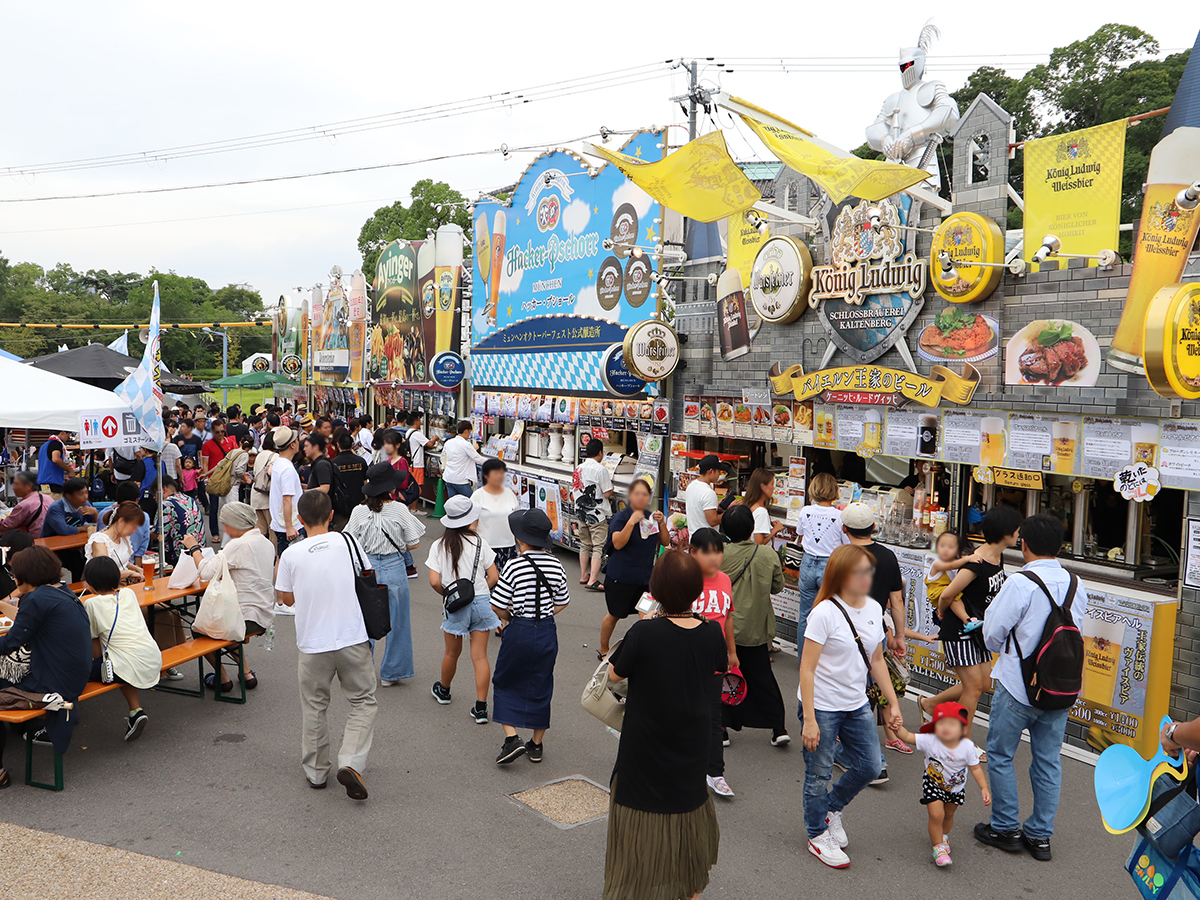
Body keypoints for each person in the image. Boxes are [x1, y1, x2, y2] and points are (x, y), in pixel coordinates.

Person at [604, 549, 724, 900]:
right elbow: (715, 666)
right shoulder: (711, 633)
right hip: (691, 744)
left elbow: (614, 674)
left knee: (638, 835)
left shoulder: (645, 633)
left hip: (645, 748)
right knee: (685, 819)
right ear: (695, 590)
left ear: (655, 589)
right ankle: (687, 890)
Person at [975, 513, 1083, 862]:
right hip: (1061, 688)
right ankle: (1039, 836)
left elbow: (992, 634)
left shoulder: (1021, 583)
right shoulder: (1076, 584)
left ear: (1023, 544)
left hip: (1018, 686)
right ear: (1060, 546)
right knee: (1048, 761)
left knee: (1001, 754)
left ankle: (1005, 827)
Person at [799, 543, 903, 869]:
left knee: (871, 766)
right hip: (823, 705)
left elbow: (876, 660)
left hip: (857, 703)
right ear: (842, 575)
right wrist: (810, 719)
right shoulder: (824, 613)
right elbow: (807, 668)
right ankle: (817, 833)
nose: (866, 577)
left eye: (868, 571)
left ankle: (830, 808)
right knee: (818, 773)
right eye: (859, 572)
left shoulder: (874, 609)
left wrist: (893, 704)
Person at [275, 490, 377, 801]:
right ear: (331, 515)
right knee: (363, 701)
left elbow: (286, 598)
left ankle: (317, 771)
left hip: (312, 642)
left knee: (315, 706)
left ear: (300, 520)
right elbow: (367, 575)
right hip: (351, 636)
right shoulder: (348, 542)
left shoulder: (291, 554)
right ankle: (351, 762)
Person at [921, 505, 1022, 751]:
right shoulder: (976, 564)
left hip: (978, 630)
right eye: (1017, 529)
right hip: (959, 630)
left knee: (984, 684)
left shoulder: (998, 556)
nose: (1020, 534)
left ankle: (931, 704)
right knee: (974, 688)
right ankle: (960, 742)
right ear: (1006, 533)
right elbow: (947, 594)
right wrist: (944, 615)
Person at [0, 546, 91, 783]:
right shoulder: (61, 591)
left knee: (3, 677)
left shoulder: (36, 598)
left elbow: (10, 642)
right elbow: (28, 623)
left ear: (25, 575)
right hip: (76, 675)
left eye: (14, 574)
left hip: (55, 682)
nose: (14, 578)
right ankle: (25, 729)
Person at [490, 508, 570, 765]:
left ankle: (512, 739)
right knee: (541, 683)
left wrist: (508, 617)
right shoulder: (557, 564)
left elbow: (498, 604)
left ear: (521, 540)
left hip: (520, 629)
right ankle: (536, 744)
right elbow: (563, 601)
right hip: (546, 629)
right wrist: (545, 613)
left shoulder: (514, 565)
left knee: (505, 680)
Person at [839, 501, 908, 783]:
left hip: (844, 633)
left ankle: (873, 761)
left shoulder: (842, 556)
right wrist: (899, 635)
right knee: (865, 691)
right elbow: (897, 601)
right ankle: (851, 751)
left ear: (844, 529)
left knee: (852, 695)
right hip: (875, 631)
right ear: (874, 527)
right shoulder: (888, 557)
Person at [345, 464, 425, 686]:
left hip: (367, 567)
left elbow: (349, 542)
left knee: (364, 621)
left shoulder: (359, 511)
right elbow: (414, 543)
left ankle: (361, 670)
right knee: (398, 621)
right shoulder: (399, 509)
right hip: (393, 566)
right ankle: (392, 672)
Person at [187, 501, 276, 692]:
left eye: (226, 524)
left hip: (243, 618)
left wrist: (194, 548)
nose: (224, 529)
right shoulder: (267, 543)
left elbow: (207, 572)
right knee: (227, 625)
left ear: (236, 523)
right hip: (263, 615)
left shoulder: (238, 544)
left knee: (198, 628)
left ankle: (222, 678)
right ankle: (245, 673)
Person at [426, 496, 500, 722]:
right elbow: (494, 576)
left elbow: (434, 581)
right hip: (481, 603)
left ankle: (444, 690)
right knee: (480, 657)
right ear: (470, 521)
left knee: (451, 652)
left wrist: (450, 596)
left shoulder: (439, 545)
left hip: (456, 605)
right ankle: (480, 708)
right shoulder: (480, 543)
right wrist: (477, 591)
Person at [721, 504, 789, 747]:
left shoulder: (719, 553)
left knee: (723, 676)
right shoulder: (768, 554)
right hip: (758, 627)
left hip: (725, 627)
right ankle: (778, 727)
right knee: (763, 677)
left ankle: (722, 728)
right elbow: (777, 587)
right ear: (751, 528)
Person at [892, 702, 990, 867]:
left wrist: (984, 788)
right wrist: (897, 729)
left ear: (963, 729)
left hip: (956, 788)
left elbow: (976, 768)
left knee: (949, 815)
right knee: (936, 815)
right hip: (933, 783)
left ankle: (943, 835)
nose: (946, 728)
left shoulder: (967, 747)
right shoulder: (930, 740)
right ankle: (938, 847)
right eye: (941, 723)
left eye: (952, 724)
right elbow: (908, 736)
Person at [80, 556, 163, 742]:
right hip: (153, 657)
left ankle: (60, 719)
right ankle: (135, 711)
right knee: (121, 660)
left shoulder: (91, 604)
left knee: (75, 669)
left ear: (90, 584)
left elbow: (95, 648)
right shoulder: (128, 594)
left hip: (128, 662)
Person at [689, 527, 739, 799]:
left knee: (713, 717)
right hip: (686, 659)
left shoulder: (725, 580)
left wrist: (732, 651)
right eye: (707, 552)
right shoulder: (683, 578)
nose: (714, 558)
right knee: (683, 712)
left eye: (718, 551)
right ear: (693, 553)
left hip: (715, 659)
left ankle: (715, 773)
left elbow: (728, 617)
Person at [598, 478, 668, 658]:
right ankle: (604, 649)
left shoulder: (651, 517)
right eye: (637, 493)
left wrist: (661, 523)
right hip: (621, 577)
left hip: (645, 579)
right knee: (614, 615)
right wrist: (631, 522)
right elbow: (618, 543)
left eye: (645, 494)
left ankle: (642, 652)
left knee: (646, 615)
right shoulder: (621, 517)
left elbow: (665, 541)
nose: (641, 498)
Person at [794, 472, 848, 648]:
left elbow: (800, 534)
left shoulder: (806, 511)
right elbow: (846, 543)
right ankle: (823, 660)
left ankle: (804, 660)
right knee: (831, 613)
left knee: (805, 615)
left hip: (808, 563)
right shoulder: (840, 516)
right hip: (830, 565)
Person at [573, 438, 614, 592]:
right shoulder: (600, 469)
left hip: (581, 512)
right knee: (598, 546)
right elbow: (607, 492)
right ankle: (593, 579)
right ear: (600, 452)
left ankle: (584, 575)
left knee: (584, 544)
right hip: (596, 514)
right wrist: (612, 488)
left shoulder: (578, 468)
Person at [472, 458, 520, 573]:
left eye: (502, 473)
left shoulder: (509, 493)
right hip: (486, 547)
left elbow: (517, 523)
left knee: (508, 582)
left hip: (509, 546)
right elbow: (472, 525)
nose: (499, 476)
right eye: (496, 473)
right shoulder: (478, 495)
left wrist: (522, 547)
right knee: (489, 581)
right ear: (486, 475)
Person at [85, 501, 145, 585]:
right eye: (133, 527)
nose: (134, 531)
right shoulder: (100, 540)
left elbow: (121, 561)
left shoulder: (123, 539)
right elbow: (104, 573)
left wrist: (135, 568)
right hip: (105, 588)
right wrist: (129, 573)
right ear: (121, 522)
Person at [268, 426, 305, 555]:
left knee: (281, 558)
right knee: (291, 561)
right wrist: (289, 527)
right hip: (290, 524)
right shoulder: (287, 469)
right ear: (292, 445)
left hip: (281, 521)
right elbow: (287, 499)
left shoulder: (279, 462)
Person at [200, 419, 238, 545]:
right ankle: (215, 533)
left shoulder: (231, 442)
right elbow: (205, 463)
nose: (221, 434)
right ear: (213, 432)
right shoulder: (207, 445)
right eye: (218, 432)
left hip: (228, 479)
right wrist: (206, 479)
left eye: (222, 431)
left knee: (228, 506)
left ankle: (230, 532)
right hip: (214, 479)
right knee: (214, 507)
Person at [157, 477, 204, 567]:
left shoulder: (166, 504)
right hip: (199, 550)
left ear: (164, 489)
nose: (155, 498)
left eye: (155, 493)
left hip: (179, 555)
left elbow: (159, 533)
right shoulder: (190, 499)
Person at [683, 455, 729, 538]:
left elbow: (699, 508)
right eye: (718, 471)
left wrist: (717, 505)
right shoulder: (708, 493)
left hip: (693, 538)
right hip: (707, 542)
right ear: (710, 471)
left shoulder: (691, 486)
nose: (719, 474)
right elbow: (713, 521)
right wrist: (730, 512)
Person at [331, 431, 368, 531]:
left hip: (340, 506)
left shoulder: (333, 463)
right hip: (359, 503)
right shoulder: (361, 461)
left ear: (338, 445)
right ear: (352, 444)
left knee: (342, 534)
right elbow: (365, 483)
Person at [442, 420, 485, 499]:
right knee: (470, 503)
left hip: (449, 478)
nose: (469, 435)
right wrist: (495, 462)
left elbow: (444, 456)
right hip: (461, 480)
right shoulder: (466, 444)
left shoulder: (448, 442)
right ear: (466, 431)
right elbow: (478, 459)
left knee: (454, 505)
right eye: (469, 432)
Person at [740, 468, 784, 546]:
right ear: (763, 486)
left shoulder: (749, 506)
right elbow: (759, 543)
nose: (774, 488)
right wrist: (775, 530)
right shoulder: (761, 512)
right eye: (772, 484)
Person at [0, 471, 50, 539]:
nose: (13, 488)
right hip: (51, 537)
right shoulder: (48, 498)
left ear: (29, 486)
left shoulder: (24, 505)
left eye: (16, 484)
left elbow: (6, 525)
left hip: (34, 541)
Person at [250, 431, 276, 537]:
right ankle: (274, 553)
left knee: (260, 531)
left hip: (256, 494)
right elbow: (271, 472)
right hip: (267, 497)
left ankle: (260, 552)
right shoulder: (275, 456)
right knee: (273, 531)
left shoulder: (260, 455)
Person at [37, 429, 75, 495]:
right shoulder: (56, 443)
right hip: (53, 483)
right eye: (67, 435)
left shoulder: (44, 445)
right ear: (63, 432)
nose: (67, 438)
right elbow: (56, 459)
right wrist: (69, 469)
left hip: (43, 483)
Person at [408, 412, 435, 496]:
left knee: (413, 485)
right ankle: (414, 508)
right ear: (416, 422)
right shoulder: (417, 434)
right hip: (417, 464)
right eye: (420, 421)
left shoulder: (408, 432)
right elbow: (430, 444)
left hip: (412, 463)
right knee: (417, 487)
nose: (420, 423)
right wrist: (435, 439)